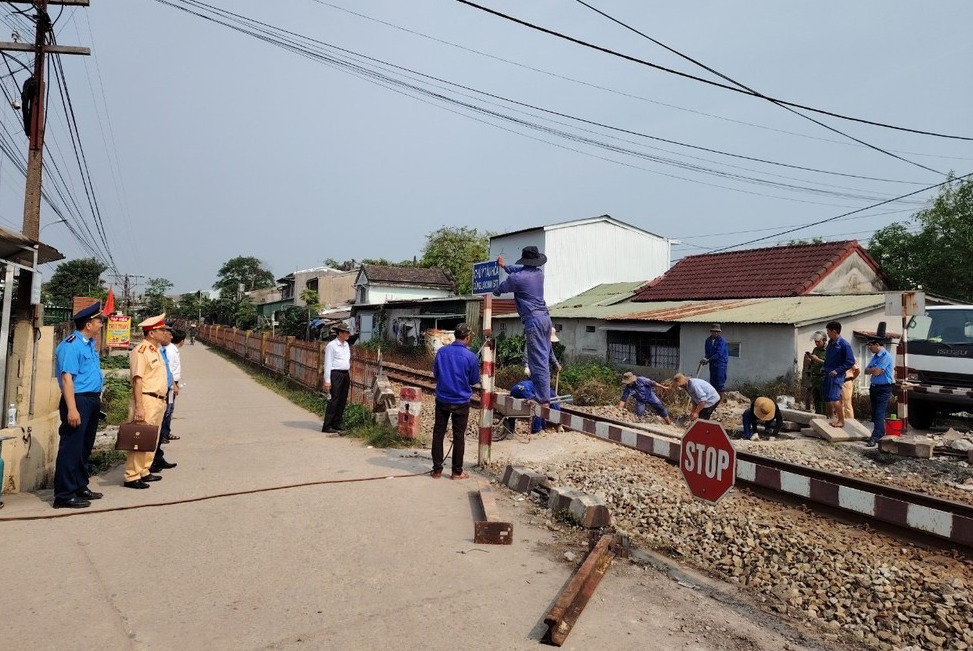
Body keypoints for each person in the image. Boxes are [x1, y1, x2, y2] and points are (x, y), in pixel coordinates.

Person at [52, 302, 105, 509]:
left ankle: (80, 485)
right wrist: (72, 408)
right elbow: (67, 379)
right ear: (88, 323)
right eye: (99, 320)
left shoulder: (89, 343)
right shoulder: (71, 345)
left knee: (84, 446)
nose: (101, 324)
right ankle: (64, 494)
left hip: (91, 399)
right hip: (77, 400)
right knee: (71, 447)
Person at [493, 246, 552, 409]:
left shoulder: (517, 279)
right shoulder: (539, 274)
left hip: (533, 320)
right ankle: (543, 395)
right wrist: (504, 266)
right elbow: (517, 271)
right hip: (546, 319)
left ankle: (542, 398)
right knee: (543, 359)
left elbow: (503, 287)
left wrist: (494, 291)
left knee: (536, 361)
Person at [124, 314, 170, 489]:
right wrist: (139, 406)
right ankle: (131, 475)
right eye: (161, 330)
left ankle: (144, 470)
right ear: (152, 333)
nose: (164, 332)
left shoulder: (155, 350)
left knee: (151, 438)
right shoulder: (140, 351)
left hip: (158, 400)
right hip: (146, 398)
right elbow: (138, 380)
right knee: (140, 438)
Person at [430, 323, 480, 479]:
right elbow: (473, 380)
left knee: (438, 433)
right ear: (467, 337)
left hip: (443, 399)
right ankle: (456, 472)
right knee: (459, 436)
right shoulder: (471, 357)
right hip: (461, 401)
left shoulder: (442, 352)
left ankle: (437, 470)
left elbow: (436, 374)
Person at [151, 329, 184, 473]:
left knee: (164, 419)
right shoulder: (147, 351)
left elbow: (169, 371)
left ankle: (157, 458)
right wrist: (173, 385)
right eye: (165, 333)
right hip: (155, 394)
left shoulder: (163, 350)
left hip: (165, 390)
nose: (169, 336)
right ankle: (148, 464)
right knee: (156, 426)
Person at [821, 321, 856, 428]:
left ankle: (841, 421)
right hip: (828, 373)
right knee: (827, 397)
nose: (827, 333)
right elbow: (828, 358)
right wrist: (824, 367)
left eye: (828, 331)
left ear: (834, 331)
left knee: (835, 398)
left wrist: (837, 370)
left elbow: (850, 361)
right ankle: (832, 417)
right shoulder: (831, 344)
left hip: (837, 375)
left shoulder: (844, 345)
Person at [864, 337, 895, 447]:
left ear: (877, 344)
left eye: (871, 345)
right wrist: (873, 369)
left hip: (884, 388)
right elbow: (866, 371)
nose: (869, 348)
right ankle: (880, 432)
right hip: (874, 387)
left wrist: (873, 369)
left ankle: (875, 436)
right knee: (875, 412)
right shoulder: (875, 357)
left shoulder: (886, 356)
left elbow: (876, 372)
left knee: (879, 412)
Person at [321, 323, 353, 433]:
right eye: (346, 332)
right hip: (335, 374)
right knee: (334, 399)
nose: (348, 334)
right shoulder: (332, 345)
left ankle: (337, 422)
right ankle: (328, 425)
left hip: (345, 374)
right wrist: (327, 380)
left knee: (342, 399)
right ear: (340, 333)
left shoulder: (346, 345)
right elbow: (328, 363)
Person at [700, 324, 728, 399]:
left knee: (720, 381)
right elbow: (707, 353)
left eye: (717, 331)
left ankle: (721, 400)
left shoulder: (722, 341)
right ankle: (715, 398)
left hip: (720, 363)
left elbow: (719, 354)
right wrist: (705, 359)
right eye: (714, 331)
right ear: (711, 331)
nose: (715, 333)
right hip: (712, 363)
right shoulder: (708, 341)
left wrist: (708, 360)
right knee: (713, 381)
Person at [805, 331, 828, 414]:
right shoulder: (815, 349)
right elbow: (814, 362)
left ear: (824, 340)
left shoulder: (828, 350)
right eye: (815, 341)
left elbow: (829, 363)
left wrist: (817, 359)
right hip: (815, 378)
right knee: (816, 398)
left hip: (823, 377)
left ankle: (826, 416)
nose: (817, 343)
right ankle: (818, 415)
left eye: (818, 341)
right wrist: (811, 360)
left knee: (824, 399)